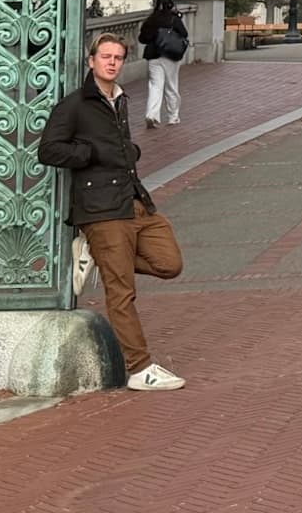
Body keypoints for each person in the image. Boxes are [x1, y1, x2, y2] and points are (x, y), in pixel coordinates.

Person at [38, 33, 185, 390]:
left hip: (133, 201)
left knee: (169, 262)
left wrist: (130, 151)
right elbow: (48, 150)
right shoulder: (75, 105)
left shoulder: (119, 99)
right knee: (121, 291)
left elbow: (116, 146)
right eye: (105, 56)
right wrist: (86, 154)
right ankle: (140, 369)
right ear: (91, 61)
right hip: (101, 209)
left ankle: (97, 252)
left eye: (118, 57)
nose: (112, 62)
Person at [138, 0, 189, 128]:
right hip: (171, 56)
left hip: (153, 56)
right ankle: (173, 117)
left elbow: (142, 39)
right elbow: (184, 34)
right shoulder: (173, 19)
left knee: (155, 86)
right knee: (171, 86)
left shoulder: (151, 20)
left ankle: (152, 115)